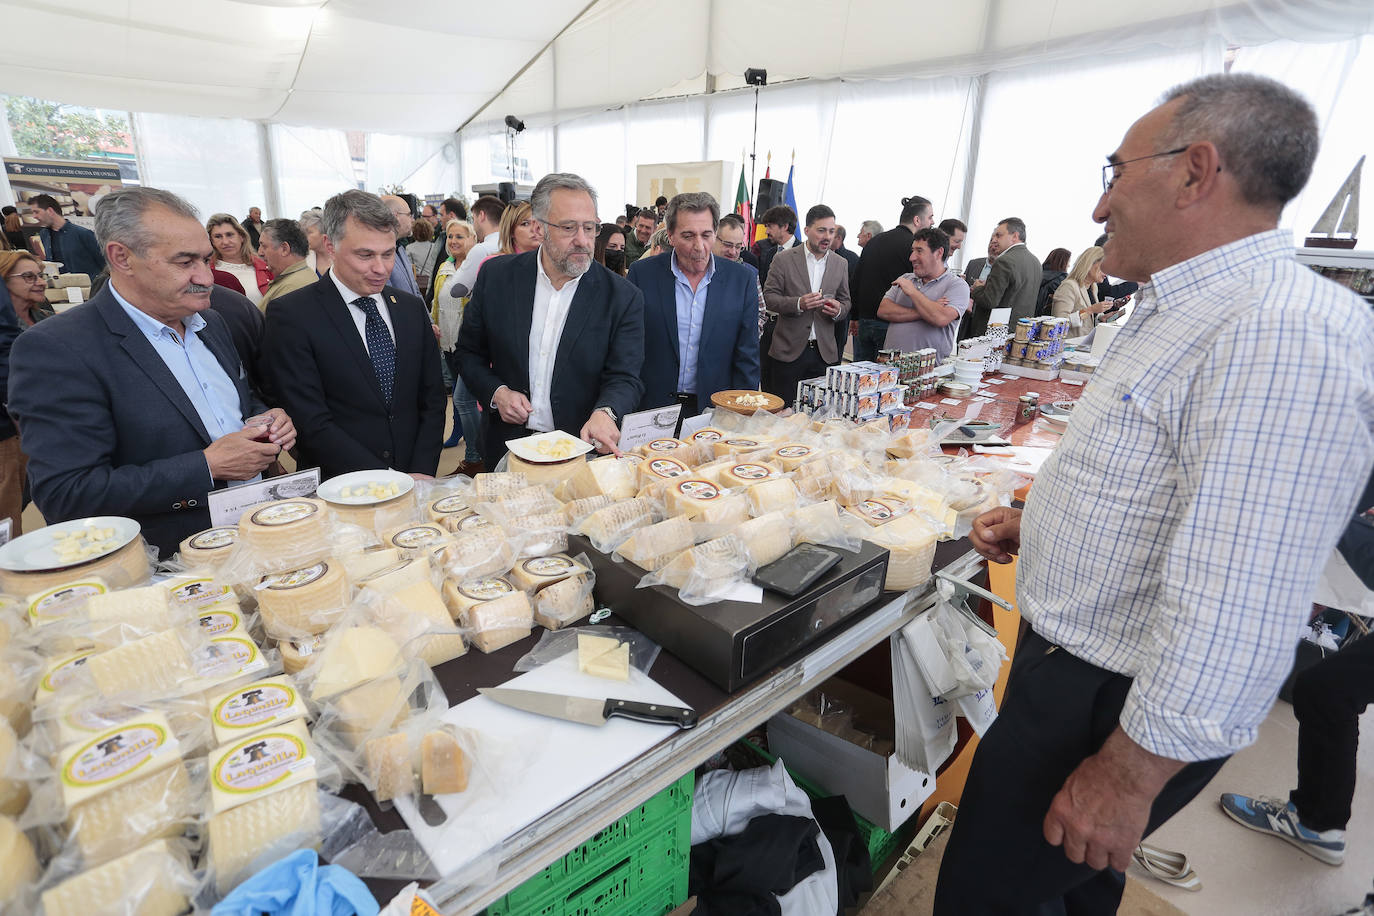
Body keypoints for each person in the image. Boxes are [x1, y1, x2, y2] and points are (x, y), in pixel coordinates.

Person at [933, 73, 1374, 915]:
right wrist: (1044, 518)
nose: (1100, 208)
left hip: (1109, 701)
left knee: (989, 897)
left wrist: (1127, 775)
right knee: (1068, 892)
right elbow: (1168, 482)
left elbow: (1240, 599)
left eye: (1114, 171)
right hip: (1082, 675)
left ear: (1194, 171)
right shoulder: (1189, 307)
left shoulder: (1281, 331)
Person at [8, 187, 296, 557]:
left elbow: (235, 403)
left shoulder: (210, 322)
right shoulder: (57, 348)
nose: (207, 277)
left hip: (260, 537)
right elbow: (66, 494)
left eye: (206, 260)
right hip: (166, 566)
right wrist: (205, 467)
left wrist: (264, 418)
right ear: (122, 257)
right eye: (184, 262)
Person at [456, 172, 644, 468]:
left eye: (590, 227)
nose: (582, 240)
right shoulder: (497, 277)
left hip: (581, 452)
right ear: (540, 227)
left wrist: (605, 412)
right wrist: (497, 393)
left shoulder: (622, 296)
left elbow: (625, 376)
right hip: (507, 448)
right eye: (569, 228)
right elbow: (468, 354)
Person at [261, 189, 446, 480]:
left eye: (388, 254)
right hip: (342, 488)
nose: (380, 268)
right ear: (329, 246)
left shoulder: (410, 309)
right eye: (365, 255)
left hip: (415, 479)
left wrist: (421, 469)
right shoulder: (292, 314)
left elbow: (433, 400)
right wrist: (385, 479)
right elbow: (311, 420)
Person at [628, 192, 760, 414]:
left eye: (706, 235)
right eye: (688, 236)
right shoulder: (642, 274)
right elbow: (627, 348)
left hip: (715, 410)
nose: (699, 246)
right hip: (651, 407)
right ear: (670, 235)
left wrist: (741, 415)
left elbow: (747, 356)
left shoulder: (742, 280)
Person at [762, 204, 850, 408]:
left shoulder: (840, 263)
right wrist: (798, 303)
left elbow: (846, 302)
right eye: (821, 230)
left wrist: (838, 310)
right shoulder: (783, 259)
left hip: (823, 354)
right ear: (807, 230)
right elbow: (769, 297)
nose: (827, 236)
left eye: (831, 230)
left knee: (817, 414)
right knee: (782, 413)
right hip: (788, 352)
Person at [851, 196, 934, 363]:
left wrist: (854, 316)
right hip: (891, 326)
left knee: (860, 381)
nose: (933, 222)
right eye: (930, 217)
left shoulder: (875, 241)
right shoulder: (914, 248)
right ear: (917, 220)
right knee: (887, 382)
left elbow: (856, 280)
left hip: (864, 322)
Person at [433, 219, 483, 473]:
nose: (453, 241)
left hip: (469, 346)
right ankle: (459, 430)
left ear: (473, 239)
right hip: (448, 342)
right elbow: (436, 302)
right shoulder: (444, 267)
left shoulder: (478, 268)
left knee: (465, 398)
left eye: (460, 236)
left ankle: (475, 454)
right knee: (457, 394)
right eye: (450, 236)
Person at [877, 226, 969, 361]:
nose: (911, 257)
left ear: (939, 253)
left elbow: (940, 318)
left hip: (927, 373)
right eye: (912, 250)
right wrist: (925, 311)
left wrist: (913, 292)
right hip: (890, 369)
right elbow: (883, 311)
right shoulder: (906, 278)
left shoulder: (957, 285)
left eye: (919, 251)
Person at [965, 216, 1038, 336]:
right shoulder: (1035, 262)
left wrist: (978, 288)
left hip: (994, 335)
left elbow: (989, 301)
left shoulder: (1004, 260)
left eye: (999, 235)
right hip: (1020, 333)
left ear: (1015, 236)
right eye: (993, 236)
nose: (994, 240)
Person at [27, 194, 106, 277]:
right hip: (63, 287)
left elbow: (105, 264)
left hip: (89, 287)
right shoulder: (44, 235)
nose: (34, 216)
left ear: (50, 211)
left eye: (36, 212)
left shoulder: (84, 234)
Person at [445, 195, 506, 300]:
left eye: (473, 219)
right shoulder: (512, 243)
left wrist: (469, 253)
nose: (473, 225)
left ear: (481, 215)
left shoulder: (480, 250)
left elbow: (456, 290)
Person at [715, 214, 767, 335]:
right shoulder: (698, 270)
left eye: (738, 247)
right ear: (713, 238)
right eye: (727, 245)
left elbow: (761, 314)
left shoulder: (750, 274)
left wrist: (746, 340)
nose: (733, 252)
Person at [207, 213, 272, 307]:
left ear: (241, 236)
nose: (225, 242)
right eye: (218, 236)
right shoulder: (207, 272)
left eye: (229, 235)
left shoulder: (265, 266)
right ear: (212, 241)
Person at [256, 219, 315, 310]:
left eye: (264, 246)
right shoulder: (297, 278)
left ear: (284, 249)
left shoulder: (292, 287)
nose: (260, 252)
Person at [1051, 246, 1112, 334]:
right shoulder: (1069, 286)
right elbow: (1060, 322)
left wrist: (1101, 318)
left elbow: (1089, 320)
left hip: (1083, 344)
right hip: (1068, 345)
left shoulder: (1093, 287)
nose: (1107, 273)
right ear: (1090, 264)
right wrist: (1090, 310)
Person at [1, 251, 56, 328]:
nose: (42, 283)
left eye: (41, 276)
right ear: (3, 280)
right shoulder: (4, 330)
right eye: (29, 276)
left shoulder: (50, 319)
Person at [381, 195, 421, 298]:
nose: (413, 220)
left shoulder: (400, 248)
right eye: (409, 215)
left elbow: (415, 290)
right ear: (395, 216)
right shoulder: (381, 254)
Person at [423, 197, 467, 287]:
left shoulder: (470, 241)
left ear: (451, 215)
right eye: (451, 237)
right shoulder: (442, 237)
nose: (440, 219)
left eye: (442, 215)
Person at [755, 205, 799, 286]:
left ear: (785, 226)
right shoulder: (770, 253)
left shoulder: (804, 252)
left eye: (770, 227)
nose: (766, 232)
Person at [406, 218, 438, 299]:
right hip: (431, 282)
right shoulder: (435, 247)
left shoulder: (409, 248)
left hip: (417, 284)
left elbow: (410, 268)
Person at [1036, 247, 1071, 317]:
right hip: (1049, 319)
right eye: (1068, 262)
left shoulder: (1037, 274)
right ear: (1062, 262)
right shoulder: (1062, 279)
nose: (1069, 265)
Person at [299, 209, 331, 277]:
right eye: (303, 233)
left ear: (324, 233)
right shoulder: (303, 260)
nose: (304, 236)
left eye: (309, 232)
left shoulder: (341, 258)